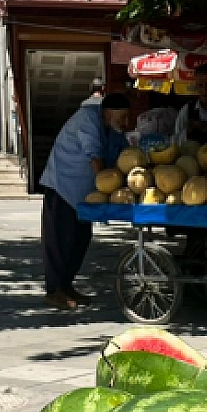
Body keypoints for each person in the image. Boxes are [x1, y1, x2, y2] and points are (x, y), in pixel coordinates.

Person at [38, 92, 131, 311]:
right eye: (121, 118)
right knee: (61, 240)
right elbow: (95, 157)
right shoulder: (87, 120)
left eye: (127, 117)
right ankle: (54, 291)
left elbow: (124, 152)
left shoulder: (114, 129)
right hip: (63, 185)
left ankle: (66, 285)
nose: (125, 123)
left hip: (83, 193)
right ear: (107, 114)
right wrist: (108, 188)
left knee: (80, 238)